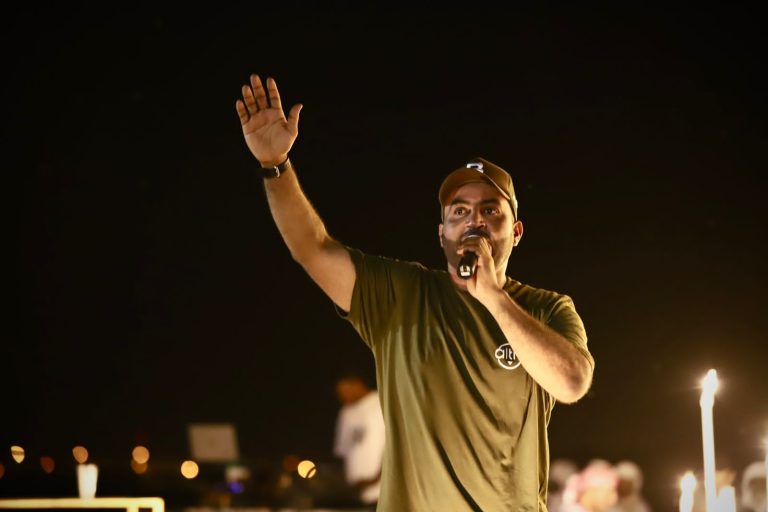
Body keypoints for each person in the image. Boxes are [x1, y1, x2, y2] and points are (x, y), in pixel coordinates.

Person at [235, 74, 595, 511]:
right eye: (459, 211)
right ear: (441, 233)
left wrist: (494, 296)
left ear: (516, 232)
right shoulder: (402, 295)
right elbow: (312, 248)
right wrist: (276, 166)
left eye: (490, 210)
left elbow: (572, 382)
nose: (474, 220)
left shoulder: (546, 308)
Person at [333, 372, 385, 508]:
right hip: (359, 494)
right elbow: (343, 451)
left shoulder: (380, 402)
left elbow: (393, 444)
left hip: (383, 491)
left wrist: (378, 477)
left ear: (357, 384)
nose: (342, 396)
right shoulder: (346, 413)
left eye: (345, 390)